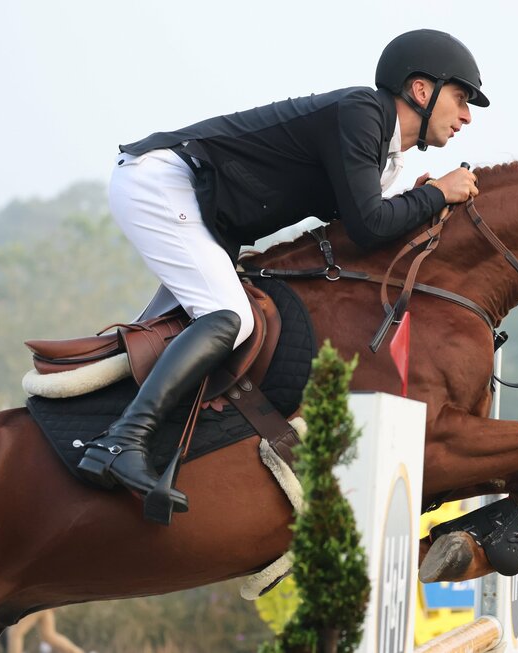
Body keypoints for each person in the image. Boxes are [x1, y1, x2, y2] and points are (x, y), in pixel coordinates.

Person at [76, 29, 486, 523]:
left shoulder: (385, 155)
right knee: (230, 317)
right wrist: (436, 194)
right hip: (166, 182)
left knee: (214, 321)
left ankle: (122, 430)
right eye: (461, 98)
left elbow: (363, 228)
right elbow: (370, 225)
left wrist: (420, 200)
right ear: (421, 90)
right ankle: (122, 441)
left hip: (202, 206)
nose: (466, 116)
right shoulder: (362, 112)